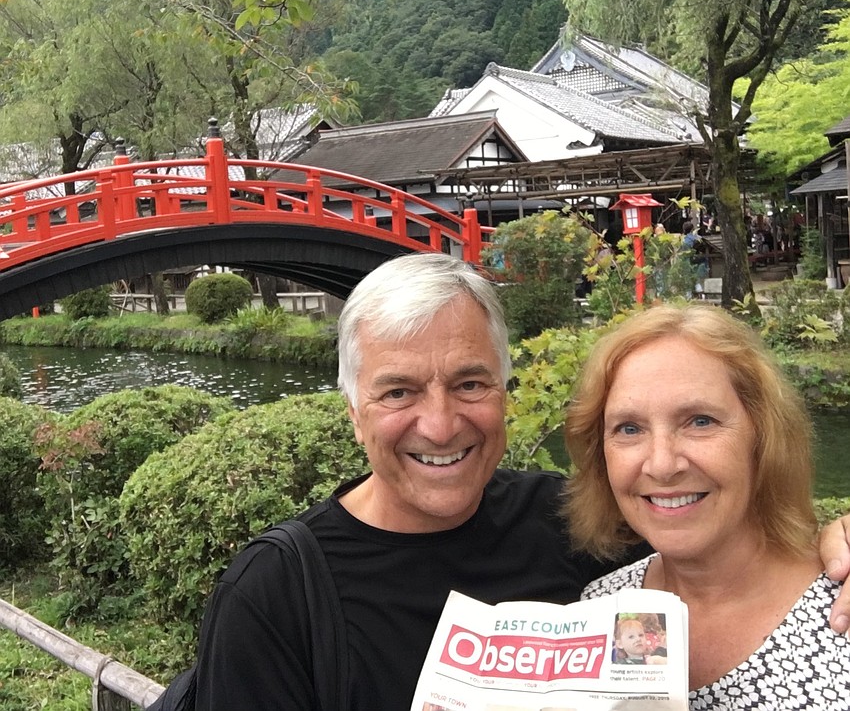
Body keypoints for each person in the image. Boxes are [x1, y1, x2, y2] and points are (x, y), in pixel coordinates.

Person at [182, 256, 850, 710]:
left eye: (469, 383)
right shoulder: (279, 593)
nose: (440, 425)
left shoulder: (573, 532)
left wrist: (835, 542)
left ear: (505, 391)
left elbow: (716, 529)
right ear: (353, 412)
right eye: (398, 392)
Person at [563, 304, 850, 708]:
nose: (662, 465)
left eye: (700, 421)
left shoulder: (841, 609)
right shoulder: (598, 611)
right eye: (629, 428)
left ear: (763, 437)